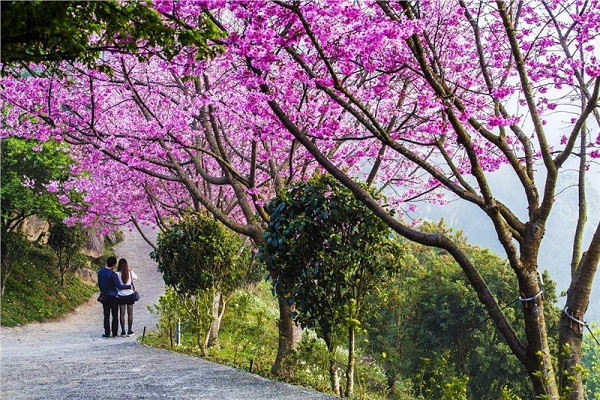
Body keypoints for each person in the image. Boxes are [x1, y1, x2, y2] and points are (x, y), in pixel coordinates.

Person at [97, 256, 131, 338]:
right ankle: (114, 333)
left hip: (105, 296)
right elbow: (119, 286)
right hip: (114, 296)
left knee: (106, 315)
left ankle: (107, 332)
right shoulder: (113, 274)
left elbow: (99, 283)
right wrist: (129, 286)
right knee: (115, 315)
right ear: (114, 264)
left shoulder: (100, 271)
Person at [116, 258, 137, 337]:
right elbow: (136, 277)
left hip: (121, 295)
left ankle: (123, 331)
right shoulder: (130, 273)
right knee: (130, 313)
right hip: (129, 295)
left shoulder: (117, 274)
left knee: (122, 314)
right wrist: (130, 270)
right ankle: (130, 330)